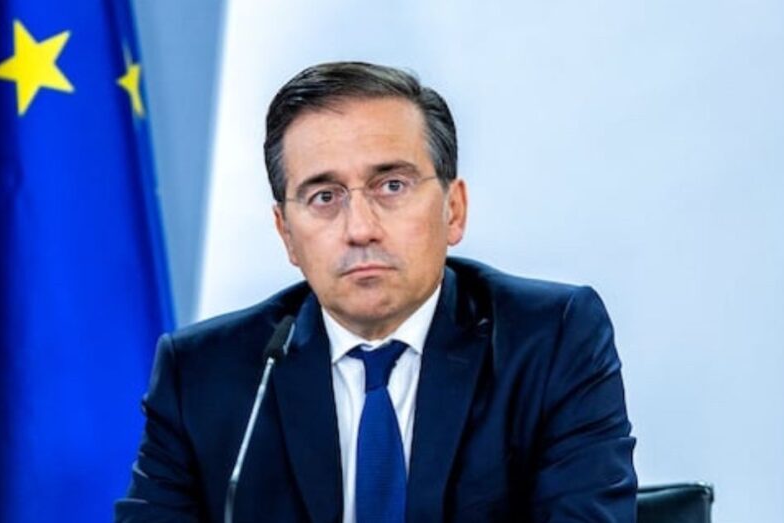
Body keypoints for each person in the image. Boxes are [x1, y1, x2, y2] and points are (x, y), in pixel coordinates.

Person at [115, 61, 637, 523]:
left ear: (453, 210)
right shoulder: (202, 374)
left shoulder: (549, 339)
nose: (360, 228)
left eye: (392, 186)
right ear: (286, 234)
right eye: (324, 196)